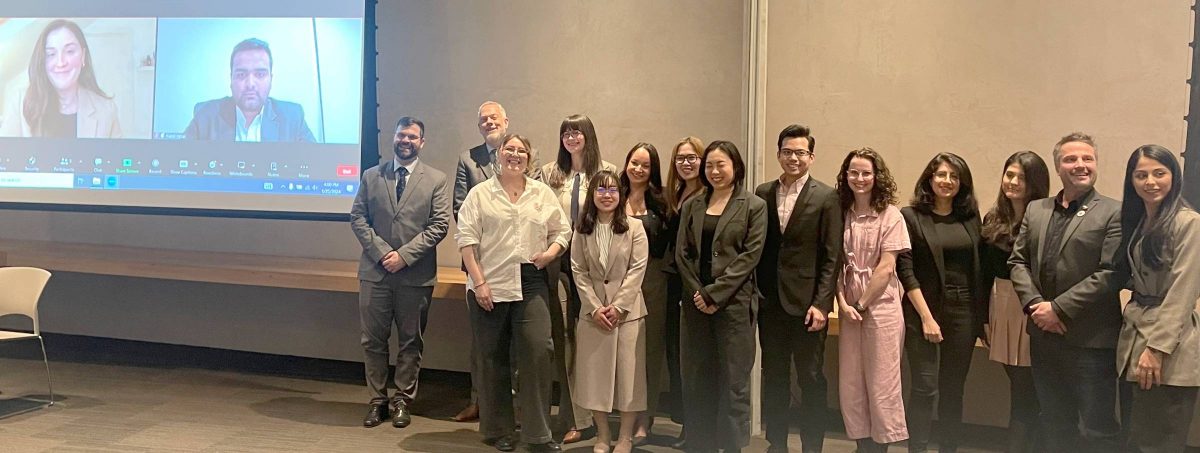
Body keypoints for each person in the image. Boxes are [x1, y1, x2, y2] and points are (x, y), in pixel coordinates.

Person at [1008, 132, 1123, 452]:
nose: (1080, 165)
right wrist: (1036, 306)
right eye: (1071, 159)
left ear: (1096, 164)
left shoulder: (1114, 212)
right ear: (1058, 166)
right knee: (1055, 422)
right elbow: (1017, 261)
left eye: (1087, 158)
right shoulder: (1036, 210)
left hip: (1091, 341)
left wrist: (1057, 309)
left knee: (1097, 428)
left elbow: (1110, 273)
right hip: (1045, 339)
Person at [457, 133, 567, 453]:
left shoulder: (541, 194)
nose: (515, 155)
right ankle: (498, 430)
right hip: (488, 280)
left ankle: (538, 434)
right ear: (499, 155)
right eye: (509, 150)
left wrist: (550, 254)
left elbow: (562, 230)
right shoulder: (480, 194)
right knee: (493, 359)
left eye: (521, 151)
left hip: (531, 279)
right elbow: (466, 241)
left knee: (537, 353)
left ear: (529, 159)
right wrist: (480, 284)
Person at [349, 116, 451, 429]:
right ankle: (377, 401)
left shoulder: (436, 179)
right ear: (393, 139)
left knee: (410, 343)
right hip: (375, 273)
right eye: (401, 135)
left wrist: (403, 256)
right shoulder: (371, 175)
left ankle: (402, 401)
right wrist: (383, 254)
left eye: (412, 137)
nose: (405, 141)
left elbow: (440, 225)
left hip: (414, 276)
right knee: (373, 342)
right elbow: (358, 218)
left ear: (422, 142)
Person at [754, 125, 842, 453]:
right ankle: (776, 443)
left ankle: (812, 446)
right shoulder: (762, 193)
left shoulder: (827, 196)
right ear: (779, 154)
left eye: (800, 152)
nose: (793, 158)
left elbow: (832, 255)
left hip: (809, 307)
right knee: (774, 377)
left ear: (811, 157)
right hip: (770, 302)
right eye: (787, 152)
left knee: (811, 378)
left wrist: (823, 304)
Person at [675, 140, 767, 452]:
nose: (715, 171)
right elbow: (682, 254)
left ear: (735, 167)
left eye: (721, 165)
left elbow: (749, 257)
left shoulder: (753, 206)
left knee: (733, 381)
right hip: (695, 305)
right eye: (710, 165)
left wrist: (715, 293)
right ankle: (700, 444)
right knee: (698, 378)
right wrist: (700, 293)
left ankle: (732, 446)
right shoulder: (693, 204)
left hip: (734, 307)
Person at [897, 152, 984, 453]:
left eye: (954, 176)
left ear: (962, 183)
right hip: (924, 311)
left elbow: (980, 269)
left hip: (964, 313)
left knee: (953, 389)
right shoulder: (910, 217)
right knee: (923, 388)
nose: (947, 181)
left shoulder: (971, 218)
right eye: (941, 175)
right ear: (929, 179)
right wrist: (926, 317)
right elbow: (905, 270)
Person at [1116, 144, 1200, 453]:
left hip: (1168, 349)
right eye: (1141, 175)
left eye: (1159, 173)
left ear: (1174, 177)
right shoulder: (1141, 221)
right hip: (1134, 341)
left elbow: (1183, 291)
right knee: (1136, 438)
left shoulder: (1189, 222)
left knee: (1159, 442)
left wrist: (1157, 348)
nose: (1150, 182)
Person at [540, 114, 617, 443]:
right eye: (566, 133)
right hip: (558, 265)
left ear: (588, 136)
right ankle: (574, 417)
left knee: (588, 342)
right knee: (564, 340)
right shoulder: (549, 173)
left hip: (592, 266)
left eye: (577, 132)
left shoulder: (607, 171)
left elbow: (612, 217)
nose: (571, 138)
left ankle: (592, 418)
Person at [835, 147, 910, 453]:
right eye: (854, 172)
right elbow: (834, 263)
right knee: (851, 381)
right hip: (848, 304)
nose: (860, 178)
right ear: (846, 176)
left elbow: (887, 266)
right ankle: (861, 443)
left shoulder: (891, 214)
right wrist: (842, 302)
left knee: (882, 380)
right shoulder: (840, 212)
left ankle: (881, 446)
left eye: (866, 172)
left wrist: (862, 304)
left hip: (880, 306)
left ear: (877, 176)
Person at [571, 170, 650, 453]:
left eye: (612, 190)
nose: (607, 195)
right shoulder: (582, 228)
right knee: (594, 377)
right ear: (592, 195)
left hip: (628, 314)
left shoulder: (634, 227)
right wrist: (594, 308)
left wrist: (618, 307)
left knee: (630, 379)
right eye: (600, 190)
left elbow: (638, 269)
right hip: (593, 315)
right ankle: (603, 436)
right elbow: (578, 270)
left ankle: (625, 437)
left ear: (621, 194)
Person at [980, 151, 1050, 453]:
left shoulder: (1047, 218)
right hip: (1001, 303)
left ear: (1035, 182)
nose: (1013, 181)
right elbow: (983, 271)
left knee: (1029, 389)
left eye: (1021, 177)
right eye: (1009, 174)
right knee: (1019, 385)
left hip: (1032, 305)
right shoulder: (993, 217)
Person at [451, 100, 511, 423]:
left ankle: (510, 405)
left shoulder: (523, 152)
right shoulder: (467, 160)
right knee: (480, 338)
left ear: (506, 120)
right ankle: (478, 401)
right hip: (477, 263)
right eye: (483, 120)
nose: (489, 123)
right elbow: (460, 210)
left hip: (514, 264)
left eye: (494, 118)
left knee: (512, 338)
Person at [618, 143, 670, 445]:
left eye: (645, 165)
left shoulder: (661, 202)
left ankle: (644, 417)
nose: (638, 169)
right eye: (634, 162)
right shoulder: (613, 194)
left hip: (652, 281)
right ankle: (622, 413)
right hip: (617, 280)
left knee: (649, 352)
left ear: (653, 170)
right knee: (624, 353)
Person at [0, 19, 121, 138]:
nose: (61, 62)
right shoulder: (19, 102)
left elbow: (117, 156)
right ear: (42, 61)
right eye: (51, 54)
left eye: (69, 51)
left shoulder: (106, 109)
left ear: (83, 56)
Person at [183, 38, 315, 142]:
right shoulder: (206, 115)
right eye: (241, 75)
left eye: (260, 74)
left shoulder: (293, 117)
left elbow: (314, 164)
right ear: (231, 80)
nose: (250, 84)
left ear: (271, 80)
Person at [661, 135, 705, 449]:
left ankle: (697, 426)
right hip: (669, 285)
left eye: (692, 157)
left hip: (695, 285)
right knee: (675, 355)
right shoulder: (673, 195)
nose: (686, 163)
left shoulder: (708, 196)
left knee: (694, 358)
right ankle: (686, 423)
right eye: (680, 158)